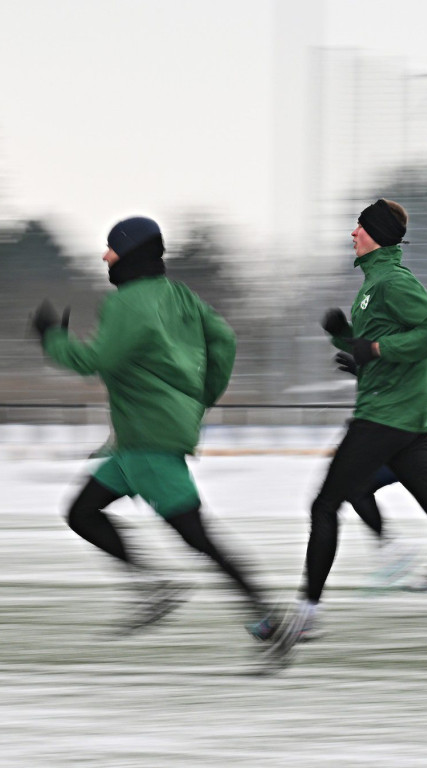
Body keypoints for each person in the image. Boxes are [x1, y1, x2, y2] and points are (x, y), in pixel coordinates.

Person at [267, 199, 427, 661]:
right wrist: (345, 337)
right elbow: (382, 344)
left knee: (325, 504)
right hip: (408, 422)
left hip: (384, 418)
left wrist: (373, 350)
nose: (353, 233)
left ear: (375, 234)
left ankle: (307, 613)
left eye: (359, 227)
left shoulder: (392, 281)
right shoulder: (375, 283)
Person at [30, 216, 275, 637]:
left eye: (111, 248)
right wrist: (201, 398)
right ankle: (155, 587)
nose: (105, 256)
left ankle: (268, 617)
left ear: (129, 253)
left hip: (147, 444)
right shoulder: (181, 296)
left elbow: (96, 361)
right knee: (82, 513)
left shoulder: (127, 303)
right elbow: (225, 341)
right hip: (136, 443)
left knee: (198, 537)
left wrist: (52, 337)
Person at [345, 344, 427, 591]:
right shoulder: (404, 346)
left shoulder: (426, 345)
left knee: (357, 486)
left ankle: (395, 551)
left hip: (415, 440)